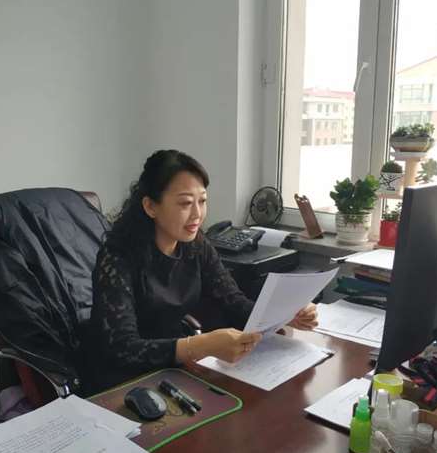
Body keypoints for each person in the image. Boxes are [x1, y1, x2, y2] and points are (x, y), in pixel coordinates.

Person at [87, 150, 318, 392]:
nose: (197, 214)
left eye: (202, 201)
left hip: (171, 371)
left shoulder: (196, 245)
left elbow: (234, 303)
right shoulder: (117, 257)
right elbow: (122, 349)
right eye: (185, 203)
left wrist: (285, 313)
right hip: (122, 383)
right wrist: (201, 345)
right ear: (151, 206)